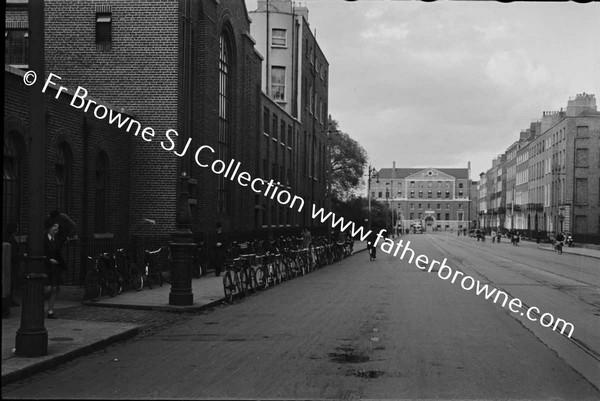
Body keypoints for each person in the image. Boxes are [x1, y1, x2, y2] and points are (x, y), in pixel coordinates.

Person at [44, 218, 64, 319]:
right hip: (46, 268)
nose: (56, 231)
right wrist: (49, 260)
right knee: (47, 289)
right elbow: (40, 254)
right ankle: (38, 306)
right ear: (49, 229)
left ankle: (50, 311)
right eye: (54, 229)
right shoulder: (43, 239)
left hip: (54, 268)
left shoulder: (56, 240)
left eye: (57, 229)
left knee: (54, 289)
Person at [3, 222, 22, 307]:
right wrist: (21, 255)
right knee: (10, 282)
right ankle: (8, 300)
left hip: (12, 264)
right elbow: (13, 254)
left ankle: (10, 299)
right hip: (11, 264)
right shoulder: (9, 239)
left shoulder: (9, 238)